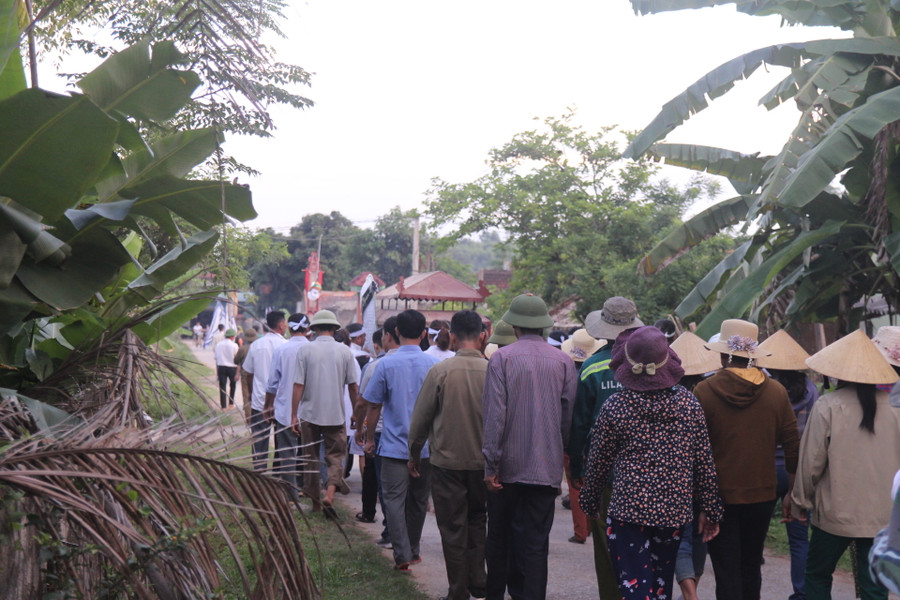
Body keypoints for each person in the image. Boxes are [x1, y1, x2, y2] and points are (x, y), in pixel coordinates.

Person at [579, 326, 723, 600]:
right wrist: (711, 511)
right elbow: (704, 464)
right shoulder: (689, 405)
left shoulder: (616, 407)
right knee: (659, 585)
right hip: (673, 513)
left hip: (627, 513)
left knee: (634, 586)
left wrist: (589, 501)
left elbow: (598, 463)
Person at [692, 319, 800, 600]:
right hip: (762, 494)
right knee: (751, 565)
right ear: (752, 354)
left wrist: (700, 499)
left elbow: (695, 451)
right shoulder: (776, 392)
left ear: (722, 354)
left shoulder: (704, 392)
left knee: (726, 569)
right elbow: (792, 446)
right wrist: (790, 492)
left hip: (718, 496)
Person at [792, 329, 900, 600]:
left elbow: (811, 463)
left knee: (817, 575)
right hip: (883, 518)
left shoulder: (829, 405)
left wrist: (800, 501)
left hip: (834, 515)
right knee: (874, 588)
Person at [482, 293, 577, 600]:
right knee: (536, 545)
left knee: (499, 538)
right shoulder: (564, 361)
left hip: (506, 469)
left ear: (514, 326)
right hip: (545, 469)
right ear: (543, 327)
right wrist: (557, 453)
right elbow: (567, 419)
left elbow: (495, 418)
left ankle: (496, 594)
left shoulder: (501, 359)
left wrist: (491, 466)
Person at [408, 310, 488, 600]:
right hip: (484, 464)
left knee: (453, 528)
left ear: (452, 336)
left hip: (446, 463)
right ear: (483, 336)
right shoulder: (493, 371)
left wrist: (414, 453)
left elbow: (420, 419)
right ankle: (478, 579)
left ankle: (458, 591)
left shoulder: (440, 372)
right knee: (478, 521)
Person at [569, 295, 642, 600]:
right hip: (643, 474)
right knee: (640, 546)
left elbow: (580, 425)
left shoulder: (591, 368)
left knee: (606, 544)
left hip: (604, 477)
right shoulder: (649, 366)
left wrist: (576, 466)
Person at [362, 309, 440, 571]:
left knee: (393, 501)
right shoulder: (433, 366)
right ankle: (414, 549)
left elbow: (374, 407)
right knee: (418, 501)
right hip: (426, 449)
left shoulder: (385, 364)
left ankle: (402, 553)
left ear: (396, 332)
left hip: (394, 446)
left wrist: (369, 439)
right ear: (424, 333)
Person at [756, 329, 818, 600]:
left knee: (755, 533)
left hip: (765, 469)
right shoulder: (812, 390)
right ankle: (801, 592)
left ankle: (751, 589)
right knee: (798, 536)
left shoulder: (763, 388)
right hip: (799, 471)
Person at [669, 330, 722, 600]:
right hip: (703, 477)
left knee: (682, 539)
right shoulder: (708, 392)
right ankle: (693, 591)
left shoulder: (671, 395)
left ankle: (689, 594)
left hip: (676, 480)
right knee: (699, 537)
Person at [290, 310, 358, 515]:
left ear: (315, 329)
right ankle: (330, 494)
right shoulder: (345, 351)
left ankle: (316, 504)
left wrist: (294, 414)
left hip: (309, 413)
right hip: (335, 414)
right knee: (336, 456)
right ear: (334, 328)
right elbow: (353, 387)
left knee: (310, 459)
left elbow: (298, 385)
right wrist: (355, 413)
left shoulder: (305, 350)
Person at [355, 317, 401, 547]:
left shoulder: (376, 366)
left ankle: (392, 533)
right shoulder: (428, 363)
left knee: (388, 489)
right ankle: (406, 537)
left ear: (389, 336)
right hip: (417, 436)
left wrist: (363, 432)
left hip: (385, 434)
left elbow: (366, 403)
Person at [559, 328, 606, 544]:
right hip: (597, 437)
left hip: (575, 436)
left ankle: (581, 531)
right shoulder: (599, 370)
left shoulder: (569, 372)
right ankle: (593, 526)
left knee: (576, 485)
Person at [262, 313, 309, 502]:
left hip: (285, 411)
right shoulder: (312, 349)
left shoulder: (282, 350)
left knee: (287, 453)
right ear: (308, 329)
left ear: (289, 328)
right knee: (309, 453)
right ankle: (311, 491)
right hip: (310, 411)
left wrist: (268, 405)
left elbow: (272, 383)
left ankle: (291, 496)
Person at [243, 311, 287, 471]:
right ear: (281, 325)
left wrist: (251, 393)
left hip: (260, 402)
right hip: (282, 402)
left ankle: (259, 472)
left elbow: (249, 373)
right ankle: (278, 472)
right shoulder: (285, 346)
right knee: (281, 441)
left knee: (259, 440)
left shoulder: (256, 345)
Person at [234, 326, 258, 424]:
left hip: (245, 375)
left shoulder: (242, 349)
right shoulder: (258, 347)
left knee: (247, 397)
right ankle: (258, 417)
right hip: (257, 375)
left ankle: (249, 419)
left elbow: (236, 361)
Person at [214, 328, 239, 409]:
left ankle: (223, 406)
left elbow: (216, 357)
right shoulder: (234, 345)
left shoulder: (218, 345)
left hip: (221, 367)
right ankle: (231, 403)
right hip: (232, 367)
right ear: (232, 337)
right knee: (233, 385)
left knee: (222, 386)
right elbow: (237, 358)